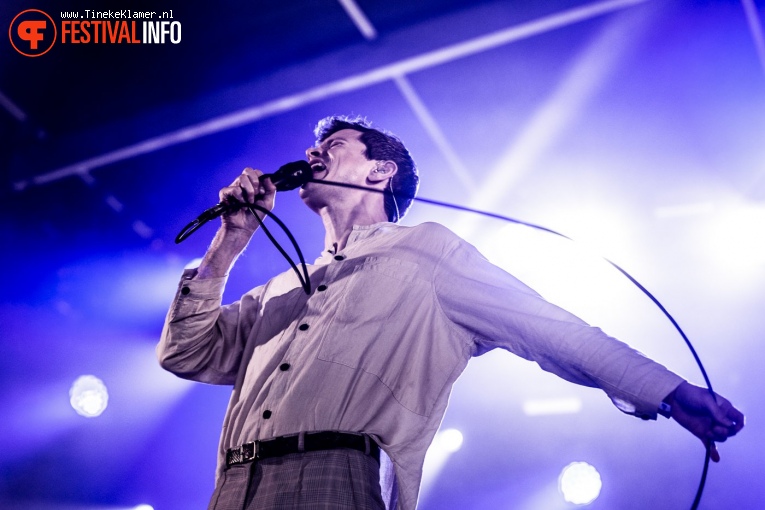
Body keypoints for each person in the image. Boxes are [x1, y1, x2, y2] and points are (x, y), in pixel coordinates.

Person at [158, 115, 744, 510]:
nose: (311, 154)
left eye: (332, 147)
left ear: (380, 171)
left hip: (332, 478)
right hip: (231, 486)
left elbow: (548, 329)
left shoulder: (429, 251)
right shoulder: (279, 288)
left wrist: (670, 391)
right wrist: (230, 242)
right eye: (313, 147)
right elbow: (183, 352)